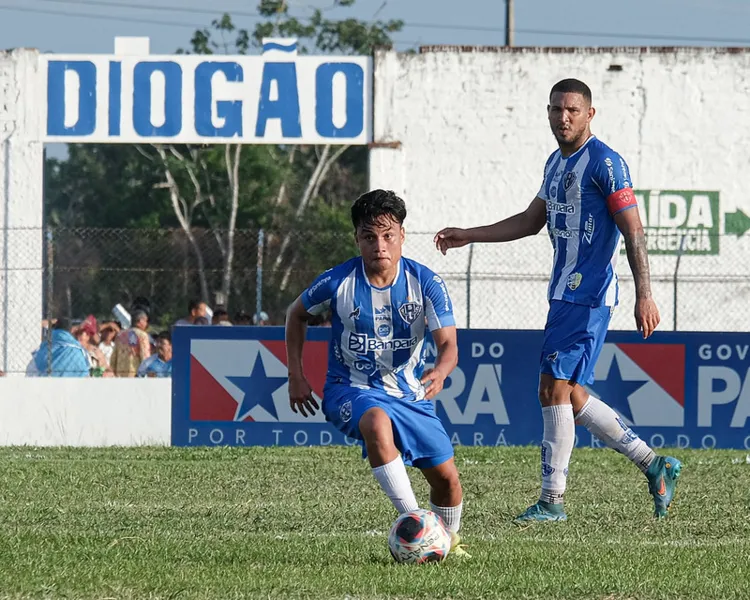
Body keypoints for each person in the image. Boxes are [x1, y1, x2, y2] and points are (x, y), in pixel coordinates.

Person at [434, 78, 681, 523]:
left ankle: (553, 500)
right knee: (570, 393)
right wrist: (470, 234)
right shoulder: (555, 162)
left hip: (588, 296)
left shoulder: (606, 163)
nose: (562, 117)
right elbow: (531, 221)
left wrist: (645, 294)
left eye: (571, 110)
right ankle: (654, 464)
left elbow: (635, 231)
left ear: (590, 114)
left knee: (551, 389)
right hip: (564, 294)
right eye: (555, 110)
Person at [285, 189, 470, 557]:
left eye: (388, 235)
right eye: (369, 237)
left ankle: (447, 544)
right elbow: (296, 314)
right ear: (357, 240)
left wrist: (442, 370)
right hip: (349, 389)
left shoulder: (427, 284)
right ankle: (416, 525)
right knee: (375, 421)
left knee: (448, 482)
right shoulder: (337, 283)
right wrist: (296, 374)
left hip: (410, 394)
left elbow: (449, 345)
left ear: (402, 235)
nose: (379, 245)